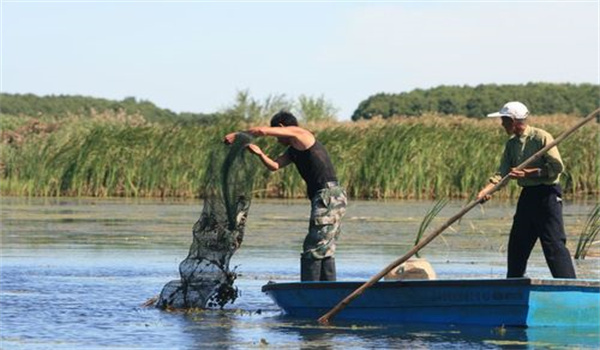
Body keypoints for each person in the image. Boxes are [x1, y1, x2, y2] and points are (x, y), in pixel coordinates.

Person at [224, 111, 347, 281]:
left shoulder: (301, 134)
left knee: (314, 247)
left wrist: (239, 135)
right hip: (326, 197)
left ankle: (310, 292)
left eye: (277, 133)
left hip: (329, 195)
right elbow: (274, 166)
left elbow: (262, 131)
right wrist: (260, 154)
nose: (277, 139)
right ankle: (326, 290)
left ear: (282, 127)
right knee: (324, 246)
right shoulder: (293, 150)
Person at [477, 101, 576, 279]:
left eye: (504, 120)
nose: (502, 124)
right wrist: (487, 191)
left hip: (548, 195)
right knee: (517, 244)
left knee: (553, 244)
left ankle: (568, 287)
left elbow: (556, 168)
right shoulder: (512, 144)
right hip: (528, 196)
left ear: (514, 120)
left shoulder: (541, 137)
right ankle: (514, 284)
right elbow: (502, 174)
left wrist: (528, 173)